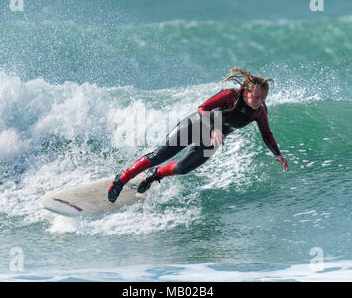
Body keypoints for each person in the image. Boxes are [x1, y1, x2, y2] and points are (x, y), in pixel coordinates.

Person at [108, 67, 289, 202]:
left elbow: (267, 134)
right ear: (246, 93)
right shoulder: (230, 96)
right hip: (195, 125)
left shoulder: (259, 112)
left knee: (182, 168)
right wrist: (215, 128)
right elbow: (203, 108)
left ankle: (155, 175)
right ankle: (121, 180)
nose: (259, 102)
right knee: (158, 155)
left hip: (212, 140)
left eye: (263, 98)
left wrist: (277, 154)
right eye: (256, 97)